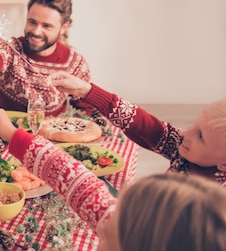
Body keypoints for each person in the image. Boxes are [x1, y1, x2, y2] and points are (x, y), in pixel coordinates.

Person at [0, 104, 226, 251]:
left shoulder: (141, 244)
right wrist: (12, 134)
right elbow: (84, 188)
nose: (103, 222)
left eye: (108, 236)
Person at [49, 72, 226, 185]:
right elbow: (142, 124)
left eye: (201, 137)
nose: (186, 133)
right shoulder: (183, 148)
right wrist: (86, 90)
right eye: (195, 124)